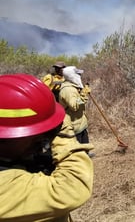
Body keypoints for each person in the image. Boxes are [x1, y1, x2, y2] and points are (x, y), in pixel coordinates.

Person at [0, 73, 94, 221]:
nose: (42, 140)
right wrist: (63, 131)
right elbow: (71, 188)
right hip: (76, 126)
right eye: (36, 135)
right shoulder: (5, 186)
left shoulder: (14, 156)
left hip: (81, 125)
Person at [59, 66, 92, 144]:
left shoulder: (73, 86)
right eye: (78, 74)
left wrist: (83, 91)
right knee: (78, 151)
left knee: (85, 145)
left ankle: (86, 153)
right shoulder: (68, 90)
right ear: (71, 75)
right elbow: (74, 106)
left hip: (80, 123)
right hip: (74, 126)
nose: (80, 76)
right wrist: (84, 94)